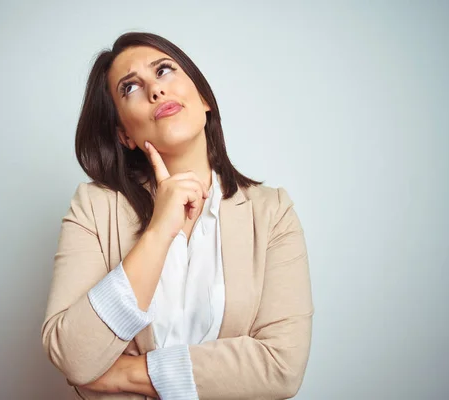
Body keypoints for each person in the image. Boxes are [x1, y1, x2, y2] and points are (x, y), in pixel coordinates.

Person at [41, 31, 314, 400]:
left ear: (203, 98)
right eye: (130, 88)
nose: (155, 90)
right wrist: (158, 231)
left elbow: (281, 368)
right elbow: (74, 357)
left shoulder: (272, 213)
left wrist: (128, 374)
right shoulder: (94, 206)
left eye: (164, 71)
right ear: (124, 134)